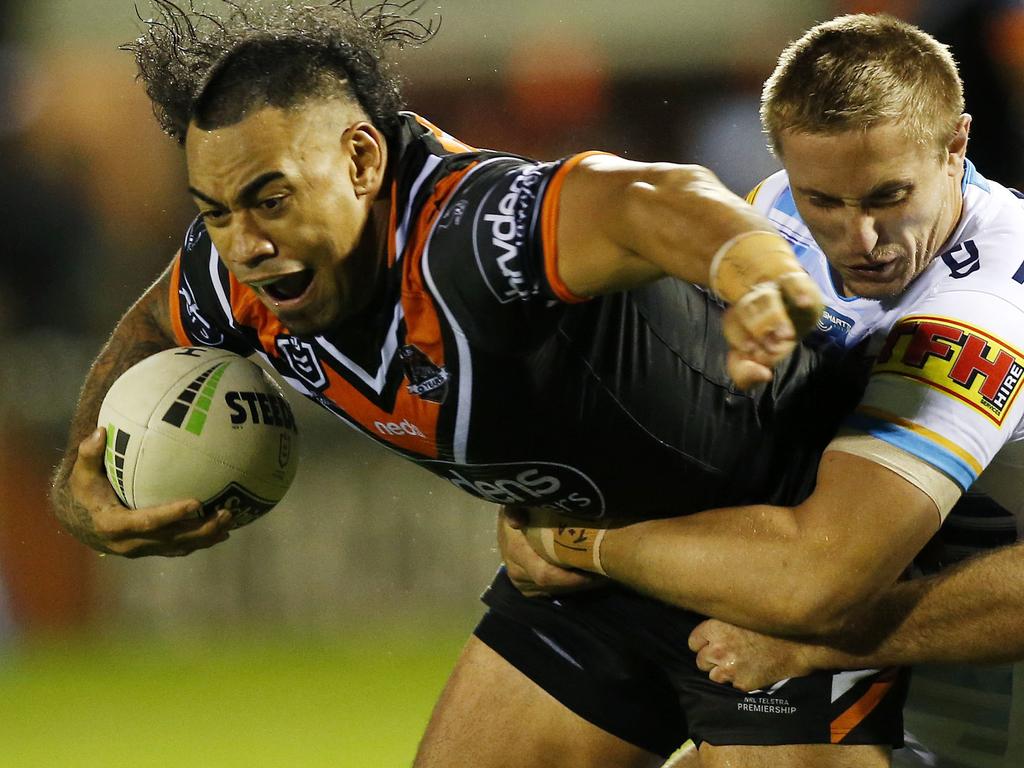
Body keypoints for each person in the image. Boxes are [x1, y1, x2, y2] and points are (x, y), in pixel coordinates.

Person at [46, 3, 908, 768]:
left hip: (772, 551)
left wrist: (755, 271)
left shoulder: (476, 233)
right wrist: (82, 484)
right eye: (215, 210)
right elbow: (153, 329)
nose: (244, 242)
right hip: (584, 576)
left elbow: (651, 195)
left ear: (360, 159)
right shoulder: (239, 269)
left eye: (271, 199)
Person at [510, 11, 1024, 765]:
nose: (861, 240)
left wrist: (578, 538)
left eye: (888, 197)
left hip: (985, 713)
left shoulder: (982, 311)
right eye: (828, 202)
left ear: (956, 146)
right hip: (877, 658)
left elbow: (826, 572)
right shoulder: (776, 210)